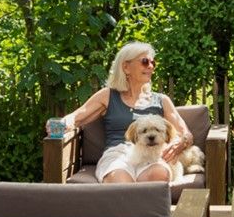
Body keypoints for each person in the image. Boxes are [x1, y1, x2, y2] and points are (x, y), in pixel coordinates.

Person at [58, 41, 197, 183]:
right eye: (145, 61)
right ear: (126, 67)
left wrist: (181, 143)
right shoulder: (108, 95)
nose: (150, 66)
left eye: (152, 63)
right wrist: (61, 125)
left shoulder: (161, 100)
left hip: (153, 157)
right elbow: (76, 117)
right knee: (121, 182)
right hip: (118, 156)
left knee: (159, 174)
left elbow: (186, 133)